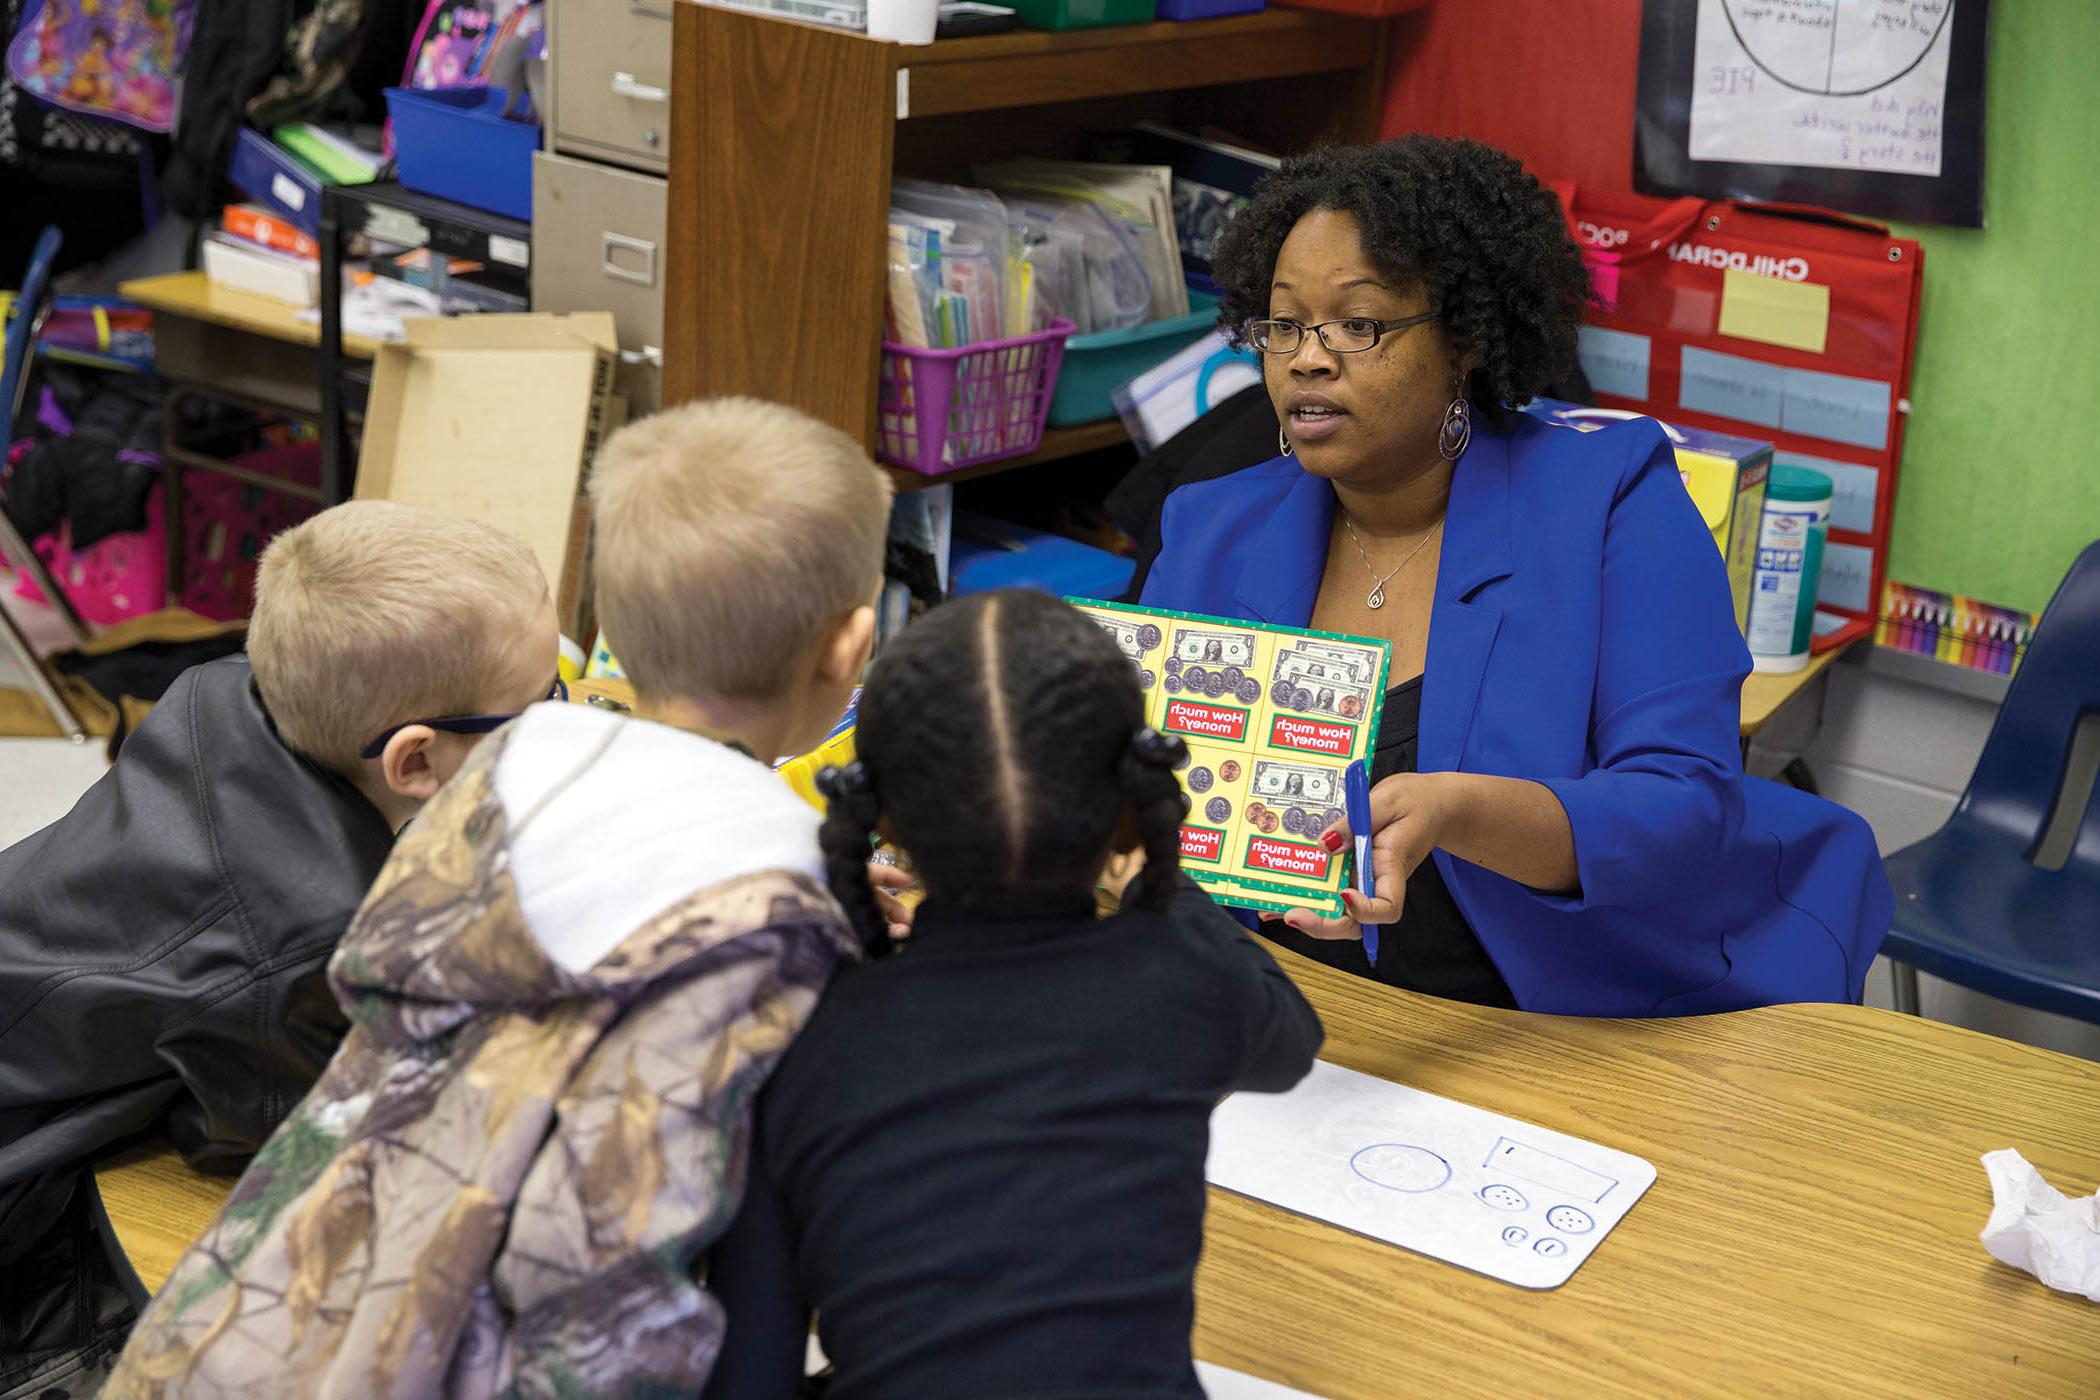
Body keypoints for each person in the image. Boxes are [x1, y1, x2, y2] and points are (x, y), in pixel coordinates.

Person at [104, 399, 896, 1397]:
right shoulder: (777, 910)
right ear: (850, 644)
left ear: (612, 627)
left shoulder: (482, 791)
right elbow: (647, 1258)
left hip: (264, 1320)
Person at [1132, 136, 1890, 1017]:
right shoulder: (1212, 524)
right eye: (1286, 324)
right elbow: (1165, 791)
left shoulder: (1610, 502)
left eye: (1358, 325)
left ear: (1463, 342)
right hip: (1305, 1009)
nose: (1308, 357)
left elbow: (1685, 811)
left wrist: (1460, 813)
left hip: (1568, 1014)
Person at [700, 590, 1323, 1400]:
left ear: (879, 813)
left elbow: (747, 1373)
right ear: (1131, 809)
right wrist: (1167, 884)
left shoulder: (796, 1032)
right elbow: (1290, 1042)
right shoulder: (1182, 979)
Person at [0, 500, 556, 1397]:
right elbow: (252, 1133)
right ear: (414, 763)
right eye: (538, 710)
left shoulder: (229, 690)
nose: (560, 725)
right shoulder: (303, 944)